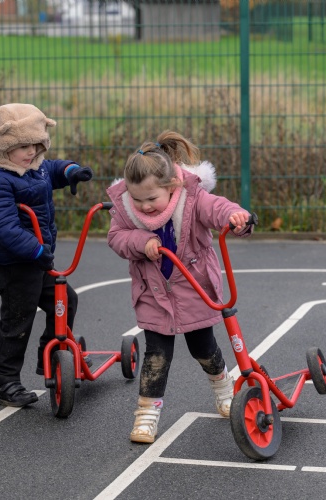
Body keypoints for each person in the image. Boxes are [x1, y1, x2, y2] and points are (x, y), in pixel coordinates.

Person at [106, 130, 252, 443]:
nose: (144, 206)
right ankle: (146, 415)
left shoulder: (192, 198)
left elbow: (217, 208)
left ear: (172, 185)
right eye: (137, 199)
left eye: (151, 199)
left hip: (194, 288)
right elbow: (116, 237)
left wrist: (235, 216)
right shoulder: (126, 208)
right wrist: (141, 241)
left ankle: (223, 390)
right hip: (153, 293)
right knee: (156, 355)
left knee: (204, 348)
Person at [0, 103, 93, 407]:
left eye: (36, 145)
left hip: (38, 260)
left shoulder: (32, 165)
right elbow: (5, 227)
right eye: (24, 146)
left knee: (65, 302)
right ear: (2, 147)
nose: (32, 152)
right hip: (15, 265)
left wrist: (69, 171)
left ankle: (50, 355)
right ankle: (4, 383)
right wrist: (35, 250)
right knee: (17, 323)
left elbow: (50, 170)